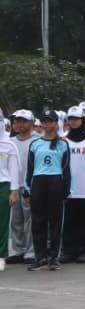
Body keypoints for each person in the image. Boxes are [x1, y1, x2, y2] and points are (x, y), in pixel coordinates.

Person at [25, 111, 70, 271]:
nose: (47, 125)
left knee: (55, 221)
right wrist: (27, 190)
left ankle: (53, 256)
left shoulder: (63, 144)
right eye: (44, 121)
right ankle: (40, 257)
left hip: (55, 181)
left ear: (56, 123)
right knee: (38, 221)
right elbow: (29, 169)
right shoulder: (35, 144)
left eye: (50, 121)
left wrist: (66, 189)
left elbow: (66, 169)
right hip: (38, 181)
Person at [60, 105, 85, 264]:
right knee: (68, 221)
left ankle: (83, 250)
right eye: (71, 119)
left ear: (82, 120)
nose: (74, 122)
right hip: (68, 188)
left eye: (76, 119)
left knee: (84, 221)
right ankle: (68, 251)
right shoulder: (63, 139)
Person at [6, 110, 37, 264]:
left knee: (29, 220)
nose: (21, 124)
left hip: (30, 186)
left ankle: (30, 252)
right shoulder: (10, 141)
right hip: (14, 186)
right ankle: (17, 250)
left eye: (24, 121)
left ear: (32, 123)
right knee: (15, 220)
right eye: (18, 121)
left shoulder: (37, 141)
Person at [0, 113, 18, 269]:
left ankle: (1, 255)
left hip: (3, 185)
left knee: (2, 222)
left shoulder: (8, 144)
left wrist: (14, 191)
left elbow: (14, 170)